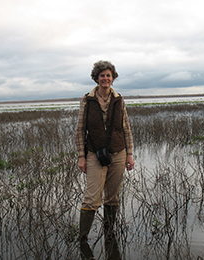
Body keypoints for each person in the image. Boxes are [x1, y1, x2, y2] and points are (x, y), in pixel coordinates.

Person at [75, 60, 135, 260]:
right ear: (96, 78)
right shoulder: (87, 100)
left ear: (113, 78)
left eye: (109, 75)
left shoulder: (119, 100)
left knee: (112, 197)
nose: (106, 79)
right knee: (92, 198)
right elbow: (80, 130)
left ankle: (109, 235)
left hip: (118, 153)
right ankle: (82, 241)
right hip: (94, 153)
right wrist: (81, 157)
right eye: (102, 75)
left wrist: (129, 154)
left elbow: (126, 128)